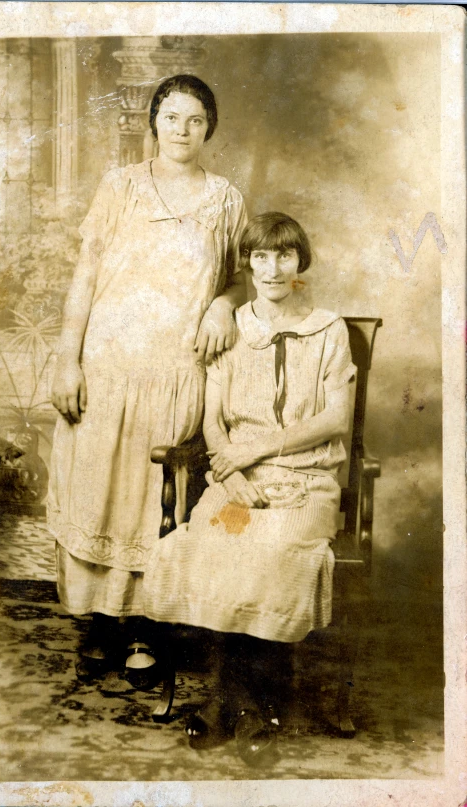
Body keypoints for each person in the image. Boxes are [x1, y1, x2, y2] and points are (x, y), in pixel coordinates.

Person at [47, 75, 248, 678]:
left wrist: (220, 304)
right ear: (153, 123)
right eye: (171, 118)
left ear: (209, 127)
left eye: (194, 120)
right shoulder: (121, 186)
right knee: (100, 490)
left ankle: (143, 626)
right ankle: (100, 623)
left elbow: (237, 277)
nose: (182, 130)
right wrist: (67, 357)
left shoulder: (225, 198)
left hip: (175, 373)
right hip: (108, 367)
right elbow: (85, 274)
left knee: (152, 495)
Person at [143, 211, 357, 765]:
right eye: (259, 256)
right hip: (239, 486)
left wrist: (259, 450)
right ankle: (235, 700)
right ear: (249, 264)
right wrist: (230, 473)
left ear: (299, 262)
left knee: (275, 550)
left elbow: (337, 419)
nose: (271, 267)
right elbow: (214, 421)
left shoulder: (329, 330)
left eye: (283, 255)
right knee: (215, 541)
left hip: (304, 486)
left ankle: (249, 706)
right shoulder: (233, 327)